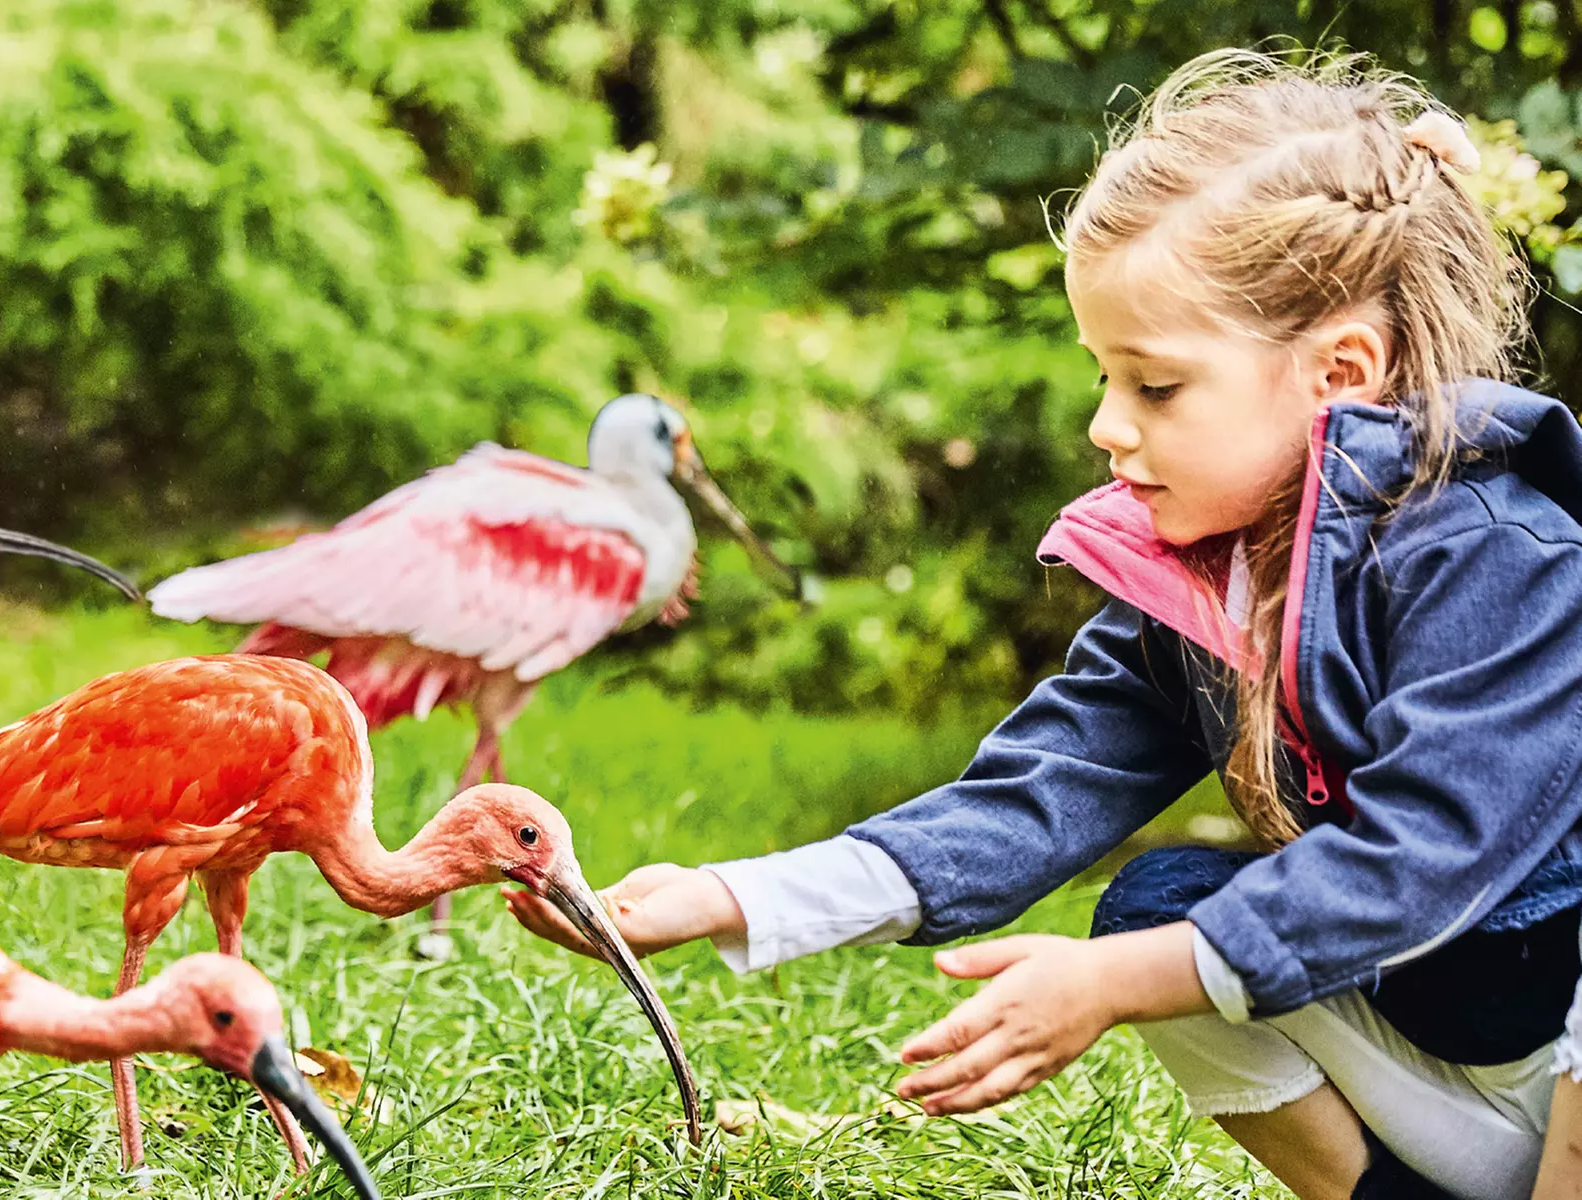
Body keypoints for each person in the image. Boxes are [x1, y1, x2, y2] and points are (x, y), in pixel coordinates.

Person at [507, 48, 1582, 1200]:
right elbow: (1036, 790)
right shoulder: (1201, 580)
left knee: (1150, 956)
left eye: (1155, 386)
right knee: (1157, 912)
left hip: (1545, 1034)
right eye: (1103, 376)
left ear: (1341, 371)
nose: (1106, 426)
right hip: (1447, 1066)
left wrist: (1115, 985)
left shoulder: (1501, 555)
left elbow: (1429, 855)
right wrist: (741, 896)